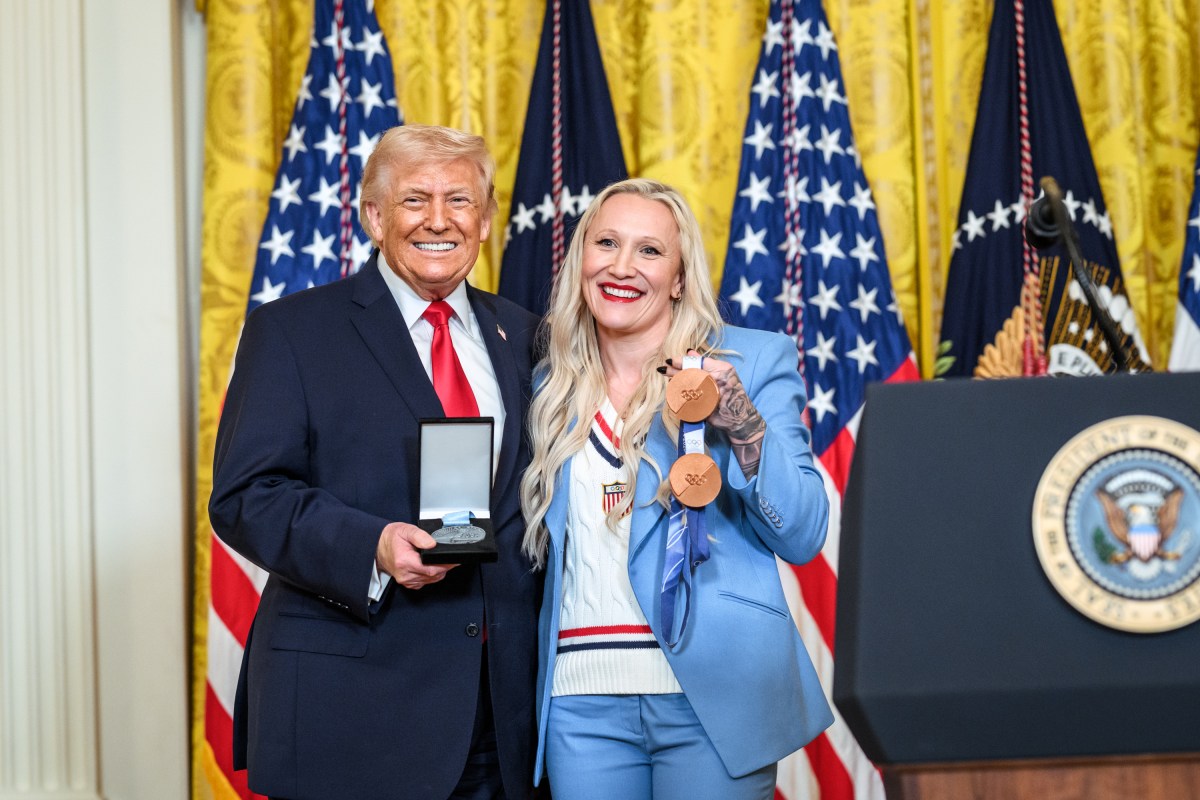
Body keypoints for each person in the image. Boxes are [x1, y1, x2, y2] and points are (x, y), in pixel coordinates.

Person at [209, 124, 542, 800]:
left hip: (501, 723)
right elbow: (246, 495)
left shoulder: (528, 335)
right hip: (355, 711)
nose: (439, 220)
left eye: (460, 200)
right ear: (374, 216)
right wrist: (374, 547)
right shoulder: (295, 331)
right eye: (415, 199)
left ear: (485, 220)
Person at [518, 178, 834, 799]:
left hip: (714, 696)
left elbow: (803, 532)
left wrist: (741, 421)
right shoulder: (543, 385)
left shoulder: (749, 361)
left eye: (650, 251)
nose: (622, 266)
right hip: (580, 700)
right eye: (606, 242)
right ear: (581, 257)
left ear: (682, 277)